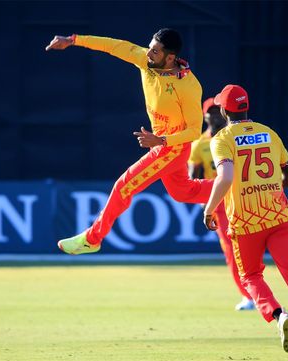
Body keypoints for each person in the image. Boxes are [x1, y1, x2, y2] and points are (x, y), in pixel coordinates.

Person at [202, 84, 288, 361]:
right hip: (279, 216)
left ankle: (279, 315)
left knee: (251, 276)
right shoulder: (269, 133)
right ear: (246, 107)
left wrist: (210, 208)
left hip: (246, 221)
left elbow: (225, 177)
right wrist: (271, 188)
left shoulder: (222, 138)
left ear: (225, 110)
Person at [45, 28, 213, 254]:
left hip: (171, 147)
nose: (149, 54)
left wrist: (161, 140)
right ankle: (234, 187)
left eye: (155, 51)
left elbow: (194, 131)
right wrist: (73, 40)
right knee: (183, 192)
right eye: (150, 48)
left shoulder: (189, 86)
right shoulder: (146, 61)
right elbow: (114, 45)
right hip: (163, 144)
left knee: (124, 186)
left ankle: (93, 239)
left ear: (170, 57)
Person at [189, 98, 255, 311]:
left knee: (250, 248)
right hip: (220, 204)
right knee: (232, 251)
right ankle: (249, 295)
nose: (216, 116)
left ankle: (257, 291)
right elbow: (193, 179)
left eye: (219, 111)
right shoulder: (199, 144)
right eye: (212, 112)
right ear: (204, 116)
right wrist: (204, 204)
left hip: (244, 197)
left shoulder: (236, 137)